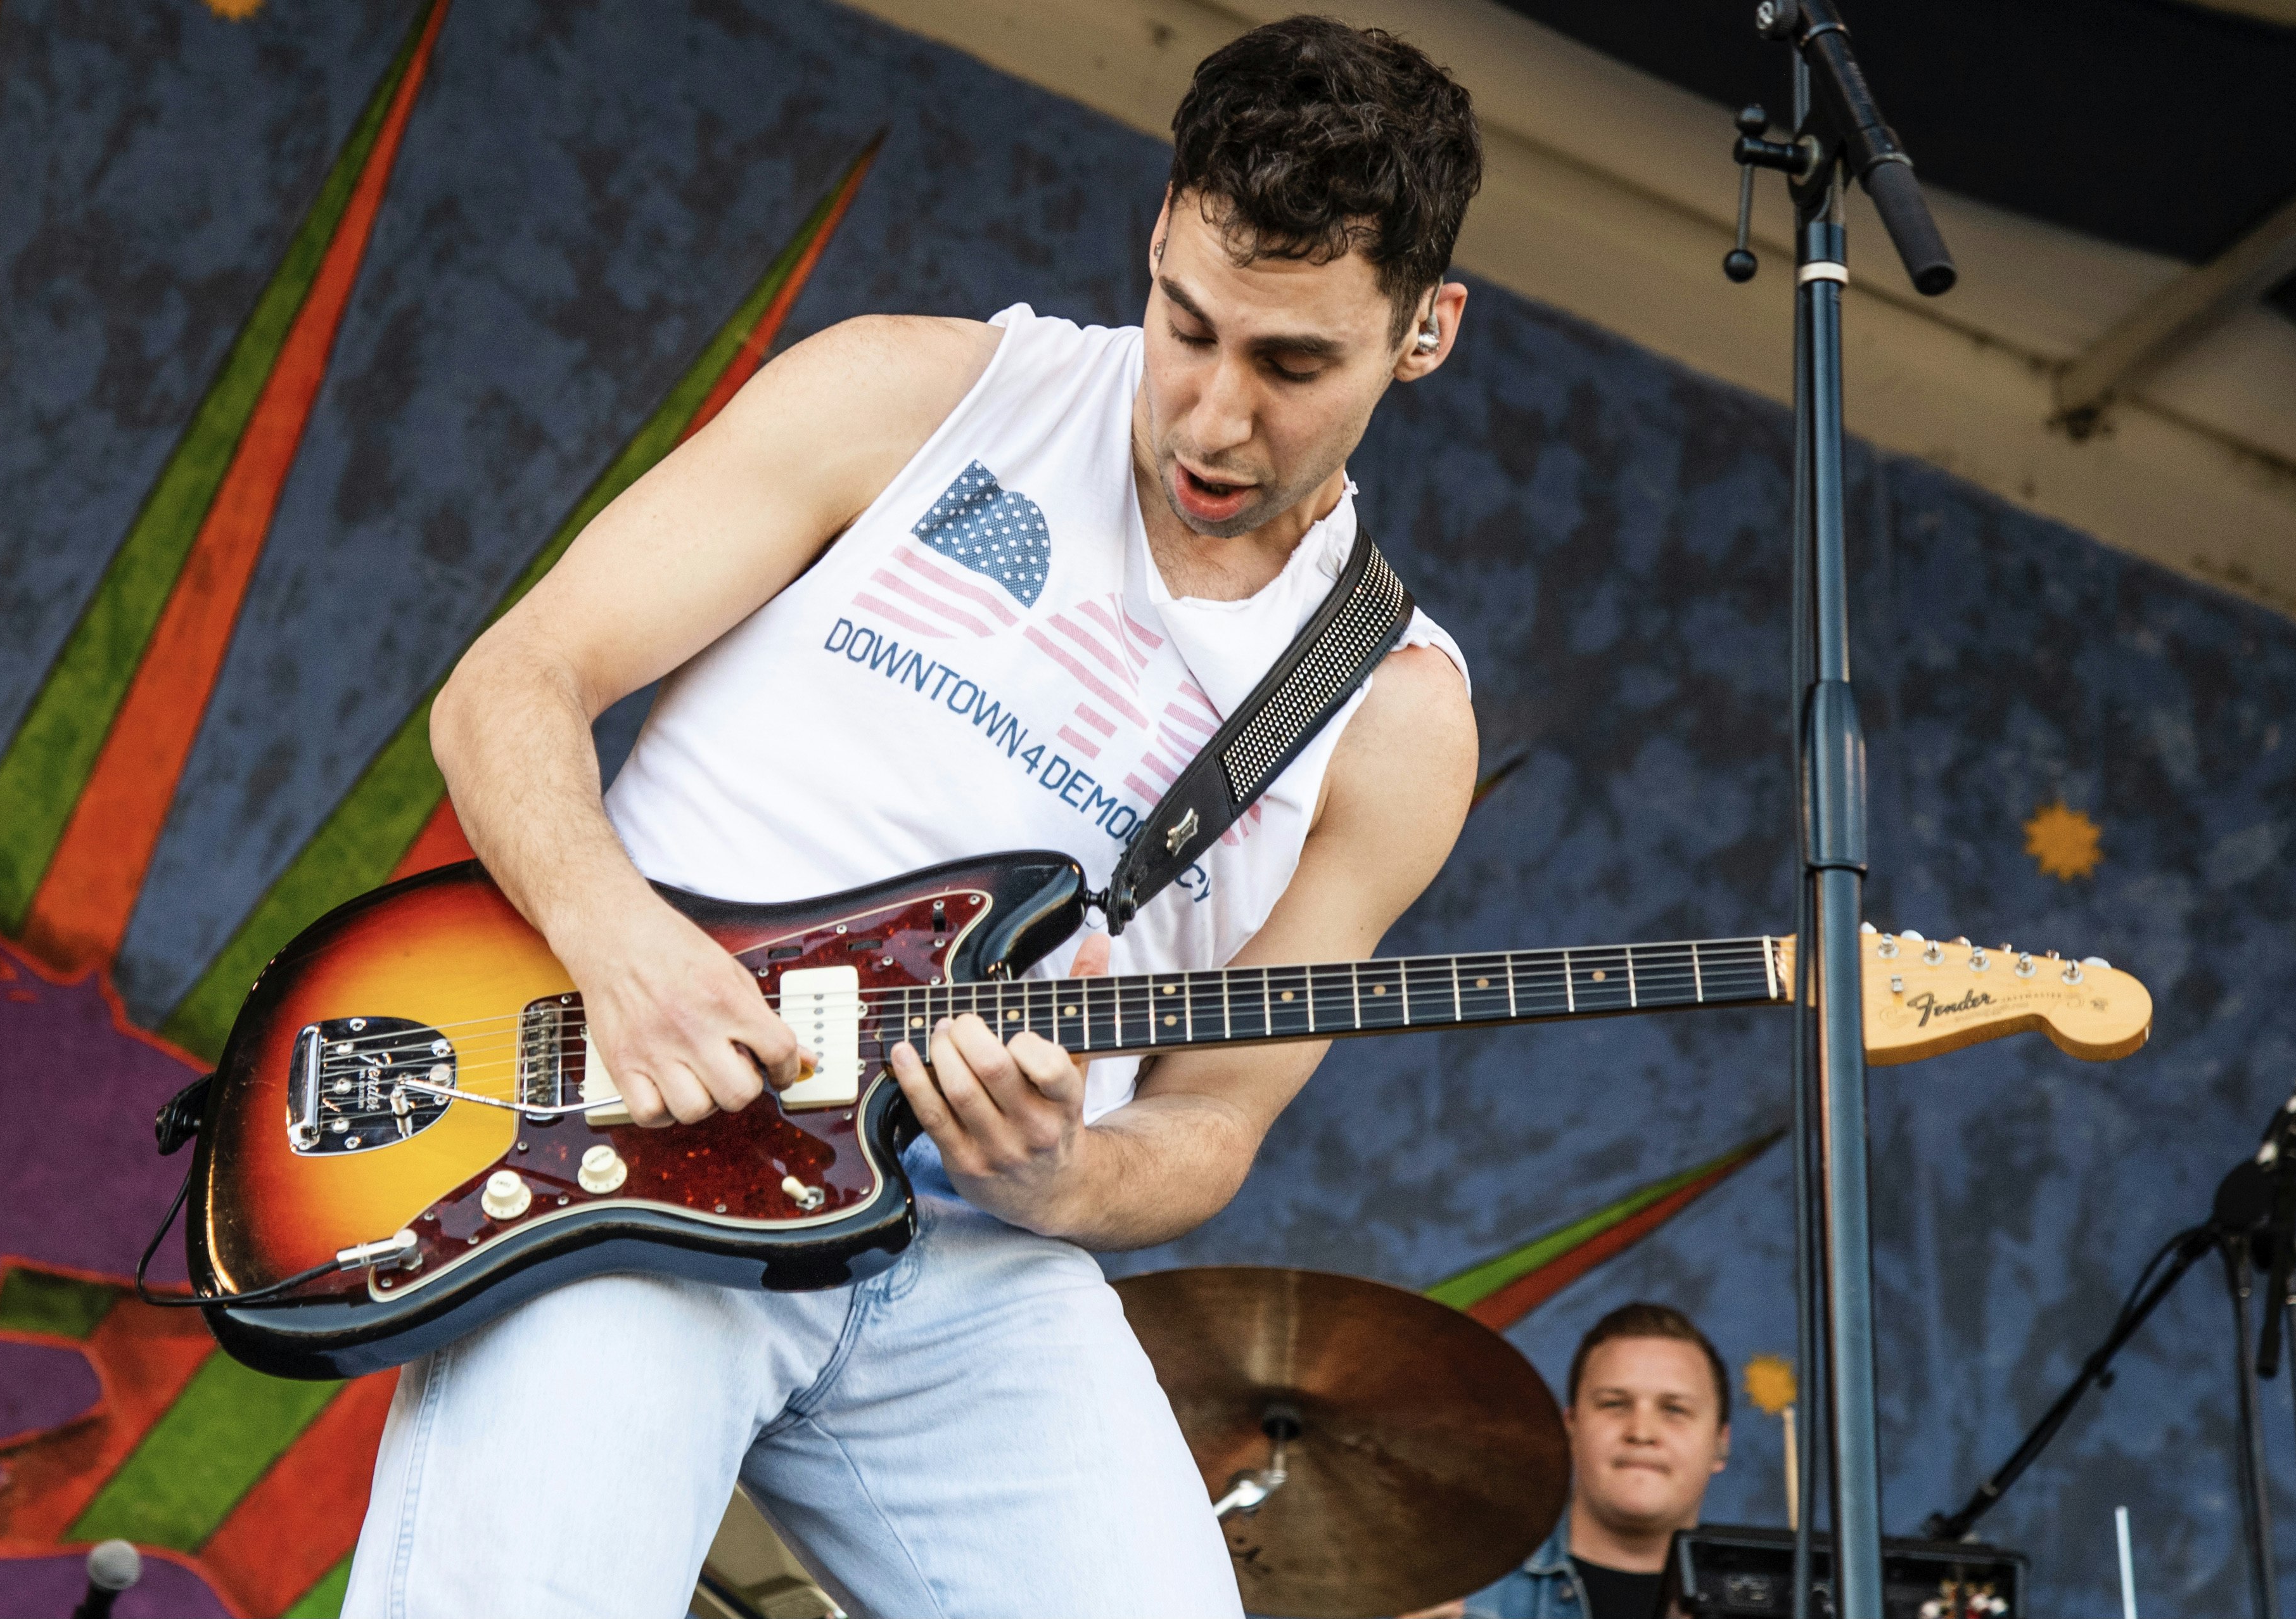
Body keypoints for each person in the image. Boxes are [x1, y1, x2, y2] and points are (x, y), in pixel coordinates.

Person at [339, 18, 1483, 1618]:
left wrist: (1065, 1178)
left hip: (969, 1258)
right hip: (639, 1149)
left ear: (1424, 332)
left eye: (1294, 365)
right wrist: (620, 941)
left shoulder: (1396, 716)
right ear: (1159, 235)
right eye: (1189, 326)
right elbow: (512, 683)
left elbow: (1215, 1121)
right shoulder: (913, 398)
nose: (1216, 418)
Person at [1414, 1302, 1736, 1619]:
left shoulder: (1779, 1600)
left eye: (1674, 1410)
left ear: (1720, 1445)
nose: (1641, 1432)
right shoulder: (1450, 1585)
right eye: (1614, 1404)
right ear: (1571, 1429)